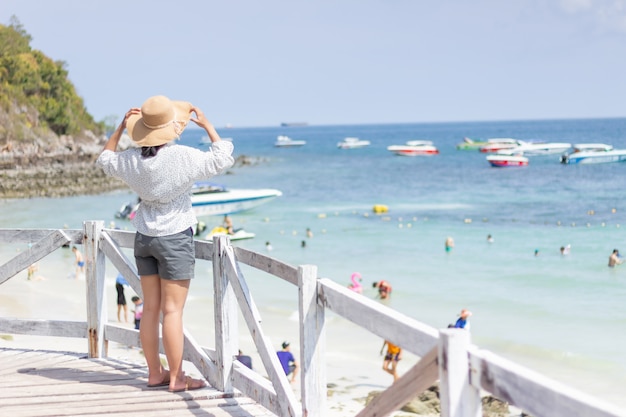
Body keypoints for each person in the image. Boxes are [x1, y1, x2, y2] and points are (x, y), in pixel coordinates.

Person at [96, 95, 234, 392]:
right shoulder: (183, 156)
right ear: (170, 129)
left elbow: (104, 159)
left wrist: (120, 129)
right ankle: (177, 378)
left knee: (151, 310)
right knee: (173, 312)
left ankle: (154, 373)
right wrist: (208, 125)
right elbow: (222, 157)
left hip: (144, 236)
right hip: (174, 238)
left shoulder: (132, 160)